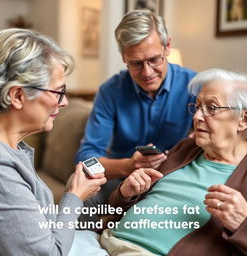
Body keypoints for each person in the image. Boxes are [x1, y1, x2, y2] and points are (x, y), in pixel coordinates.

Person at [100, 68, 247, 256]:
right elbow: (114, 209)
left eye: (211, 108)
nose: (196, 117)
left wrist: (243, 224)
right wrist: (125, 193)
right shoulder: (186, 148)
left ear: (243, 119)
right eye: (197, 106)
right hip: (105, 240)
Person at [0, 28, 108, 256]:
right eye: (57, 91)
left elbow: (37, 227)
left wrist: (112, 195)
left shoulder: (12, 149)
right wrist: (74, 196)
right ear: (17, 95)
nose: (64, 102)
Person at [75, 9, 196, 219]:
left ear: (167, 47)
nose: (147, 73)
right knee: (79, 186)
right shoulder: (110, 91)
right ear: (124, 57)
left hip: (172, 179)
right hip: (119, 178)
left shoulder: (194, 86)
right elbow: (86, 159)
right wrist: (129, 166)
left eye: (154, 60)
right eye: (136, 63)